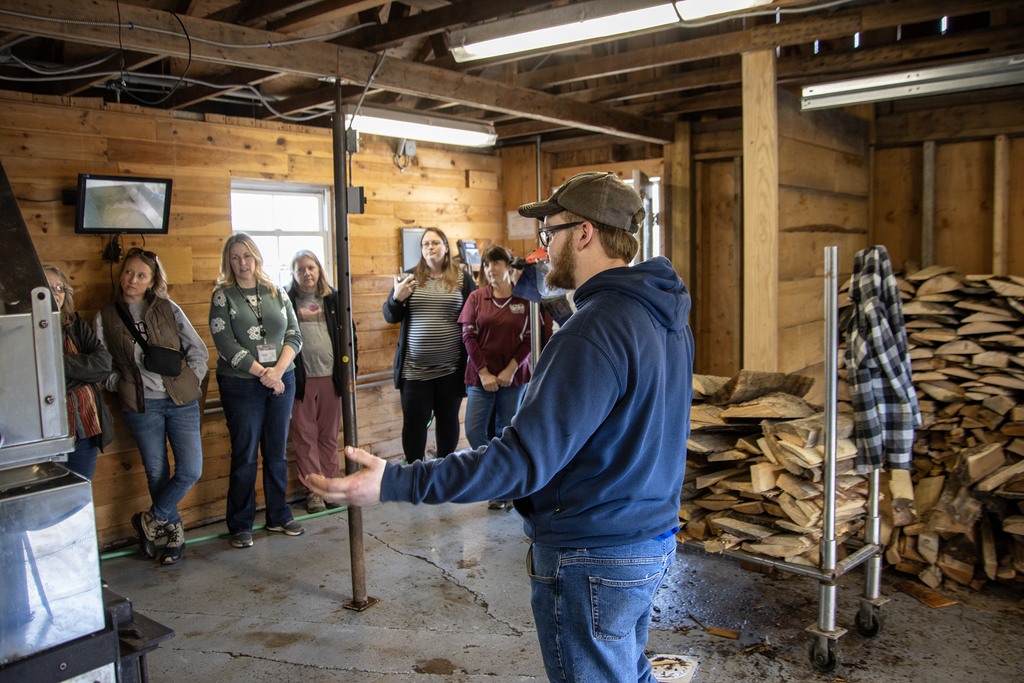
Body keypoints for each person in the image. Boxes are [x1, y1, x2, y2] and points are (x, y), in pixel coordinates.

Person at [306, 171, 694, 683]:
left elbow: (519, 460)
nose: (543, 248)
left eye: (548, 234)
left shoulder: (592, 331)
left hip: (593, 554)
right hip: (649, 540)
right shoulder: (665, 316)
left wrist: (397, 481)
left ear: (584, 234)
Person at [95, 248, 208, 566]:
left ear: (152, 280)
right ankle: (173, 533)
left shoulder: (167, 309)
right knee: (157, 472)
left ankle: (148, 520)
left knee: (190, 470)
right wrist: (119, 384)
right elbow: (101, 364)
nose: (132, 279)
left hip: (180, 401)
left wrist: (192, 380)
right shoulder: (106, 316)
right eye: (128, 272)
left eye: (141, 275)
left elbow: (197, 350)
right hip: (141, 405)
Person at [210, 233, 305, 549]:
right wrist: (263, 372)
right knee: (246, 454)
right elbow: (225, 344)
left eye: (246, 256)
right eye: (235, 257)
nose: (242, 263)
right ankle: (240, 523)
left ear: (256, 258)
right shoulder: (222, 296)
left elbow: (294, 334)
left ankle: (278, 515)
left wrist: (277, 371)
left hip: (282, 379)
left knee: (276, 452)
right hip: (241, 383)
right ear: (229, 262)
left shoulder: (276, 292)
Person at [382, 227, 476, 463]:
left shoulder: (462, 278)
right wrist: (397, 297)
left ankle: (444, 472)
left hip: (451, 369)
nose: (430, 248)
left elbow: (475, 313)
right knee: (414, 423)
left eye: (435, 243)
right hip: (414, 371)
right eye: (425, 244)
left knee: (448, 420)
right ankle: (415, 474)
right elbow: (390, 316)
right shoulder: (408, 277)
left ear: (446, 246)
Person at [458, 245, 534, 511]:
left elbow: (529, 339)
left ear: (508, 267)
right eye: (487, 264)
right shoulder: (477, 298)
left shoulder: (525, 299)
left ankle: (505, 488)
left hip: (513, 378)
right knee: (475, 431)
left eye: (496, 263)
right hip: (480, 377)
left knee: (507, 431)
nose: (491, 269)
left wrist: (510, 369)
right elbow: (468, 337)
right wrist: (484, 372)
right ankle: (500, 476)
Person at [285, 250, 352, 513]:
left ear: (319, 270)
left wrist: (350, 372)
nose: (306, 273)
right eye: (300, 269)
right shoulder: (286, 300)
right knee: (304, 437)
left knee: (328, 436)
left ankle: (331, 487)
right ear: (293, 274)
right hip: (301, 380)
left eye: (311, 268)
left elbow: (349, 336)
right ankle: (313, 490)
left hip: (331, 378)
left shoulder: (334, 299)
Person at [44, 265, 114, 480]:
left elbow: (103, 364)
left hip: (84, 430)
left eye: (60, 287)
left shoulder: (74, 324)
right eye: (48, 287)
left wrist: (57, 364)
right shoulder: (22, 329)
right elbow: (37, 380)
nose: (56, 293)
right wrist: (82, 374)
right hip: (48, 435)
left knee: (79, 498)